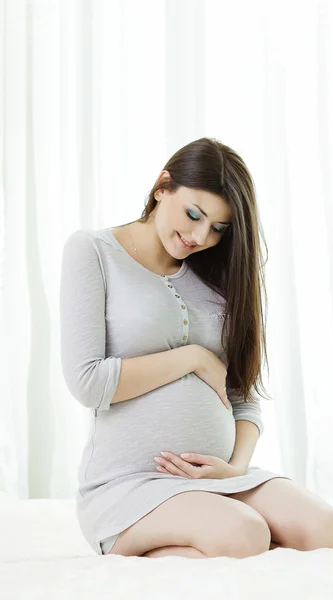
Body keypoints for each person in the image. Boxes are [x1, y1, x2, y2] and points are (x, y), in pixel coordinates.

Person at [59, 137, 295, 559]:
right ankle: (135, 544)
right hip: (126, 484)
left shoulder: (215, 277)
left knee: (323, 529)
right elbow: (88, 382)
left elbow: (241, 398)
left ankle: (210, 534)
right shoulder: (93, 251)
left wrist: (235, 470)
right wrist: (193, 357)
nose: (200, 236)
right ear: (161, 186)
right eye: (193, 214)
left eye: (218, 228)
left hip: (216, 483)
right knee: (247, 536)